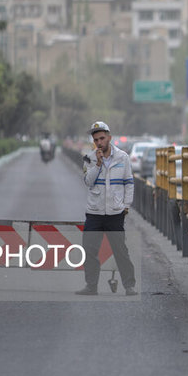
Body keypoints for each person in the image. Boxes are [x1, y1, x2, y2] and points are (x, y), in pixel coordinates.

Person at [76, 120, 137, 296]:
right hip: (94, 213)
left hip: (115, 214)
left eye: (102, 138)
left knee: (120, 251)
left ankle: (129, 286)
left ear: (109, 137)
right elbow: (88, 182)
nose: (99, 142)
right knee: (89, 250)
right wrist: (97, 164)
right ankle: (91, 286)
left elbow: (129, 183)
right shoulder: (89, 158)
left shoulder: (122, 157)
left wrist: (126, 206)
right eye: (96, 140)